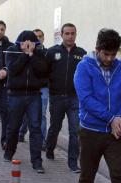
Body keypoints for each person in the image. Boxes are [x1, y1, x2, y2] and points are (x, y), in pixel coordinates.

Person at [74, 28, 121, 183]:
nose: (110, 59)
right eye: (106, 54)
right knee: (87, 178)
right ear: (97, 49)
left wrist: (119, 117)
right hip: (90, 132)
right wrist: (111, 118)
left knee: (119, 176)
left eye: (113, 54)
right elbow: (86, 99)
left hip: (115, 133)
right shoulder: (84, 66)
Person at [45, 23, 86, 173]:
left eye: (72, 33)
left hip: (75, 99)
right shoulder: (51, 52)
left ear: (76, 34)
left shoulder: (82, 54)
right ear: (61, 35)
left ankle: (73, 162)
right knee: (55, 128)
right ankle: (49, 148)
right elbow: (45, 72)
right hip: (56, 97)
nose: (70, 36)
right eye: (67, 33)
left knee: (75, 131)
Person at [4, 30, 47, 173]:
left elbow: (42, 70)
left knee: (35, 128)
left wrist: (31, 55)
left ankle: (37, 161)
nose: (28, 45)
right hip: (16, 94)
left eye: (31, 44)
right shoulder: (11, 51)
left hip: (34, 95)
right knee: (14, 126)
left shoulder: (39, 53)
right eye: (25, 43)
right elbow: (13, 69)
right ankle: (9, 152)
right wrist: (24, 55)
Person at [19, 29, 48, 151]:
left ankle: (41, 141)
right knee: (26, 113)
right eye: (36, 37)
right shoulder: (24, 50)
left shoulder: (47, 52)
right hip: (29, 87)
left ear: (43, 38)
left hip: (43, 87)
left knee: (41, 114)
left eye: (40, 36)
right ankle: (21, 132)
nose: (38, 39)